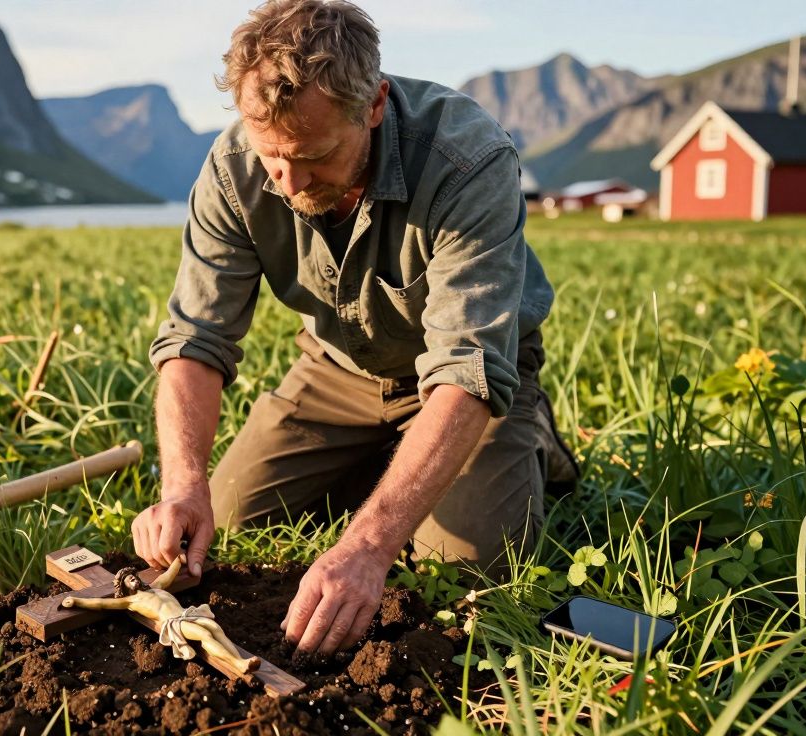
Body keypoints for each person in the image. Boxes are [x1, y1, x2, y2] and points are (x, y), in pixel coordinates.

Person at [133, 0, 579, 657]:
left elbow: (467, 370)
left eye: (313, 155)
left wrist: (368, 546)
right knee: (221, 521)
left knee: (464, 575)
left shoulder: (466, 161)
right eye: (272, 156)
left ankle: (528, 439)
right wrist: (182, 484)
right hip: (337, 370)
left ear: (373, 104)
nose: (289, 181)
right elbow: (196, 339)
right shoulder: (235, 170)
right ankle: (386, 464)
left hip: (462, 386)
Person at [60, 556, 261, 674]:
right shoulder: (130, 602)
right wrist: (77, 601)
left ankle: (240, 661)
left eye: (133, 576)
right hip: (174, 623)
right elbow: (102, 603)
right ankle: (237, 663)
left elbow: (168, 575)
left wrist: (178, 559)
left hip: (186, 613)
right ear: (124, 587)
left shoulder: (155, 587)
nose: (133, 579)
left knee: (216, 629)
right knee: (205, 635)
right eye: (129, 580)